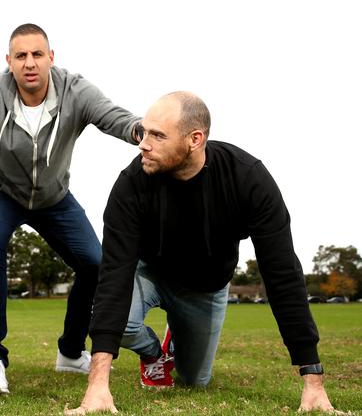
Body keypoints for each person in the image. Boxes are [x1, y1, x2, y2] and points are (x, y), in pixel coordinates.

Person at [66, 91, 339, 414]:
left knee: (195, 380)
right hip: (150, 271)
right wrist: (98, 384)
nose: (143, 143)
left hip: (206, 287)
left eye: (157, 135)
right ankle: (155, 352)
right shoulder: (132, 184)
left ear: (194, 139)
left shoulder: (247, 179)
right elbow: (114, 275)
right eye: (144, 131)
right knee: (120, 322)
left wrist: (313, 378)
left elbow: (282, 273)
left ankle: (177, 338)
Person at [0, 23, 141, 394]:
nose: (29, 63)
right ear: (9, 61)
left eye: (37, 54)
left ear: (51, 58)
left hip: (53, 197)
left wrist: (141, 130)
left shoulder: (76, 90)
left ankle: (71, 352)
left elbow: (112, 115)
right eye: (21, 56)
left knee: (95, 264)